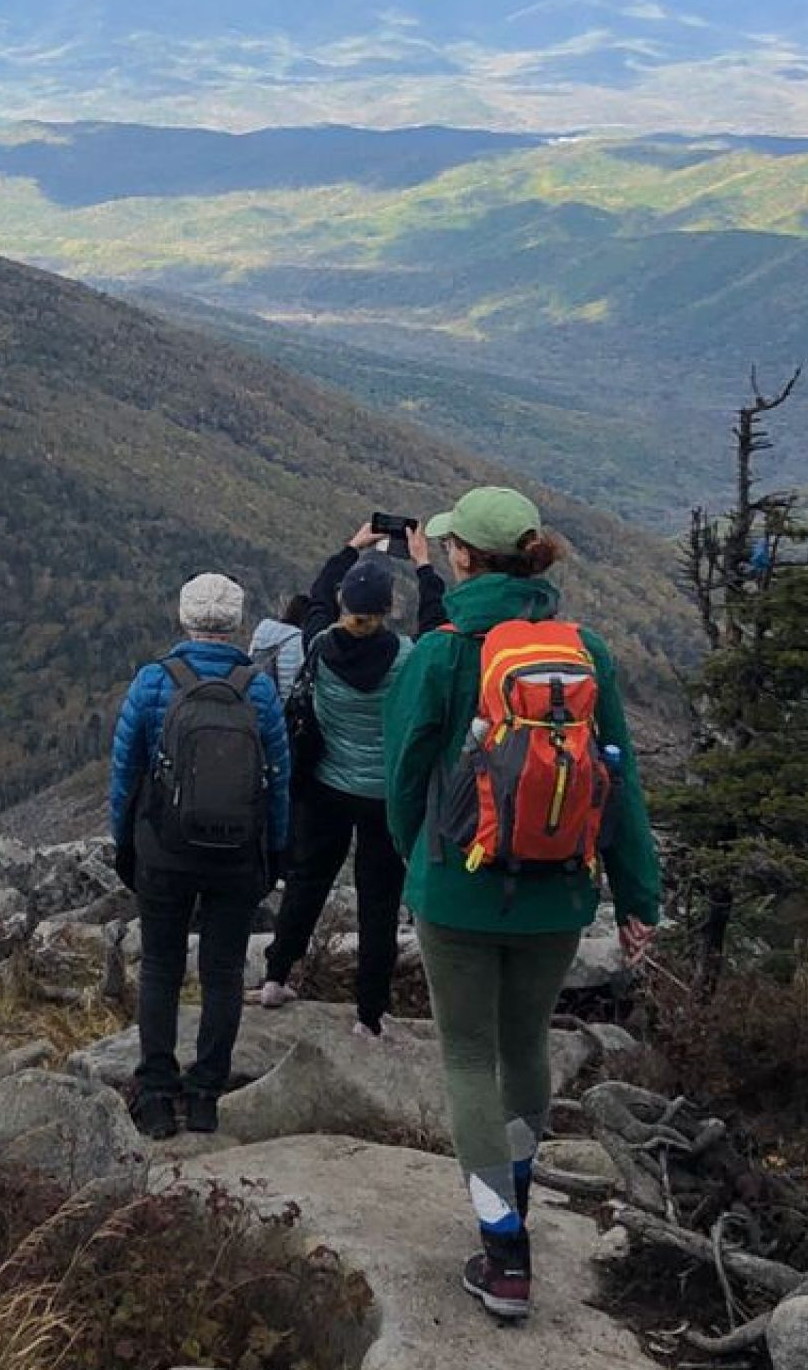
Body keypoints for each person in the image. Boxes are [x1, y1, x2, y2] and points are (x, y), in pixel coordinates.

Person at [383, 486, 660, 1324]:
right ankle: (520, 1204)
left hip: (457, 887)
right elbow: (622, 785)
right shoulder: (588, 652)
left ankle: (504, 1252)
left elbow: (403, 777)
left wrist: (419, 863)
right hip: (561, 892)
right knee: (525, 1046)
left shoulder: (440, 651)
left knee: (468, 1058)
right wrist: (639, 897)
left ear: (462, 557)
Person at [109, 571, 291, 1141]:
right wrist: (275, 853)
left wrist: (126, 843)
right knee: (221, 972)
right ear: (235, 623)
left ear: (185, 618)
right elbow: (279, 780)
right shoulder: (257, 688)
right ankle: (207, 1093)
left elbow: (125, 772)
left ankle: (158, 1095)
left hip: (163, 849)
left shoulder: (152, 681)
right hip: (237, 854)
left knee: (161, 967)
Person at [252, 516, 448, 1030]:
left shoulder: (317, 645)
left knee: (307, 882)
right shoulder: (410, 658)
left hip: (325, 788)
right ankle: (370, 1014)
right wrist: (425, 564)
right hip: (385, 796)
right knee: (379, 904)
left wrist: (349, 548)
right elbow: (439, 623)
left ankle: (275, 979)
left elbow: (315, 599)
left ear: (344, 606)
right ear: (388, 610)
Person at [248, 592, 307, 695]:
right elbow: (290, 683)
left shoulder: (262, 629)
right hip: (279, 702)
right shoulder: (297, 639)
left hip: (253, 694)